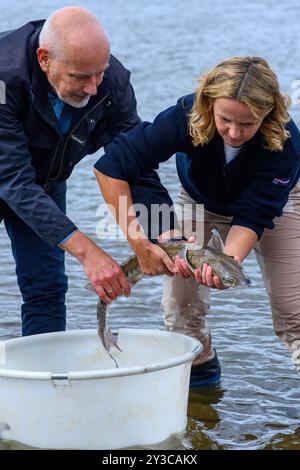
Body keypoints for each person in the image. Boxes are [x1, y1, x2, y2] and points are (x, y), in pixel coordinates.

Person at [93, 56, 300, 386]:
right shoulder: (186, 116)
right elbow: (111, 166)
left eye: (248, 124)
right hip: (200, 199)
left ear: (269, 113)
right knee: (180, 307)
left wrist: (227, 261)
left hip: (276, 205)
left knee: (294, 313)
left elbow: (254, 214)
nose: (234, 132)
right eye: (225, 120)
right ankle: (203, 392)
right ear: (208, 104)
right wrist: (141, 242)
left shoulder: (286, 142)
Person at [0, 5, 148, 336]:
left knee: (46, 291)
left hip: (46, 183)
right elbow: (13, 181)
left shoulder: (112, 82)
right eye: (80, 77)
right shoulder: (3, 76)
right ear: (44, 59)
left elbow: (133, 161)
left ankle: (44, 381)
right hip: (12, 175)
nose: (94, 87)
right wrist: (90, 253)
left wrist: (160, 233)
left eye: (99, 74)